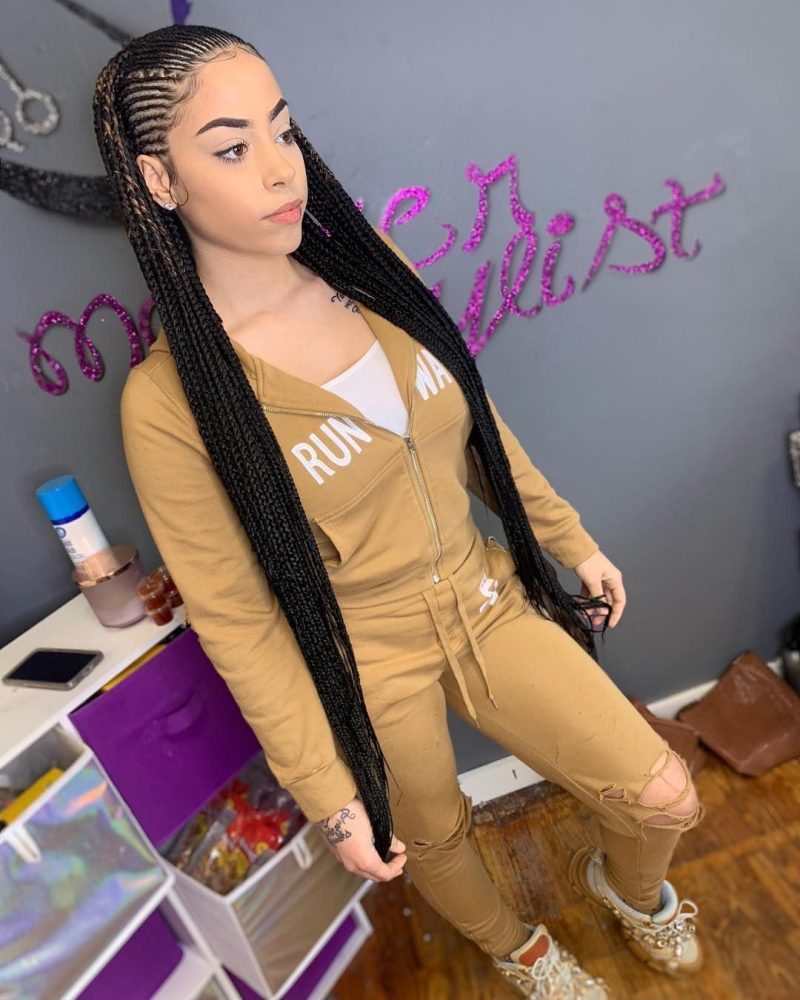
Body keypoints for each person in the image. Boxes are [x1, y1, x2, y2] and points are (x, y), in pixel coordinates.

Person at [95, 23, 705, 998]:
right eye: (231, 148)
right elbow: (237, 619)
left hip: (485, 597)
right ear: (160, 181)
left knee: (663, 795)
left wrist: (566, 537)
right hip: (365, 659)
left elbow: (473, 424)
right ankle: (518, 950)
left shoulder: (366, 268)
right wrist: (326, 793)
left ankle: (627, 891)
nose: (279, 168)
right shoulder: (170, 402)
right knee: (433, 835)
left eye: (282, 130)